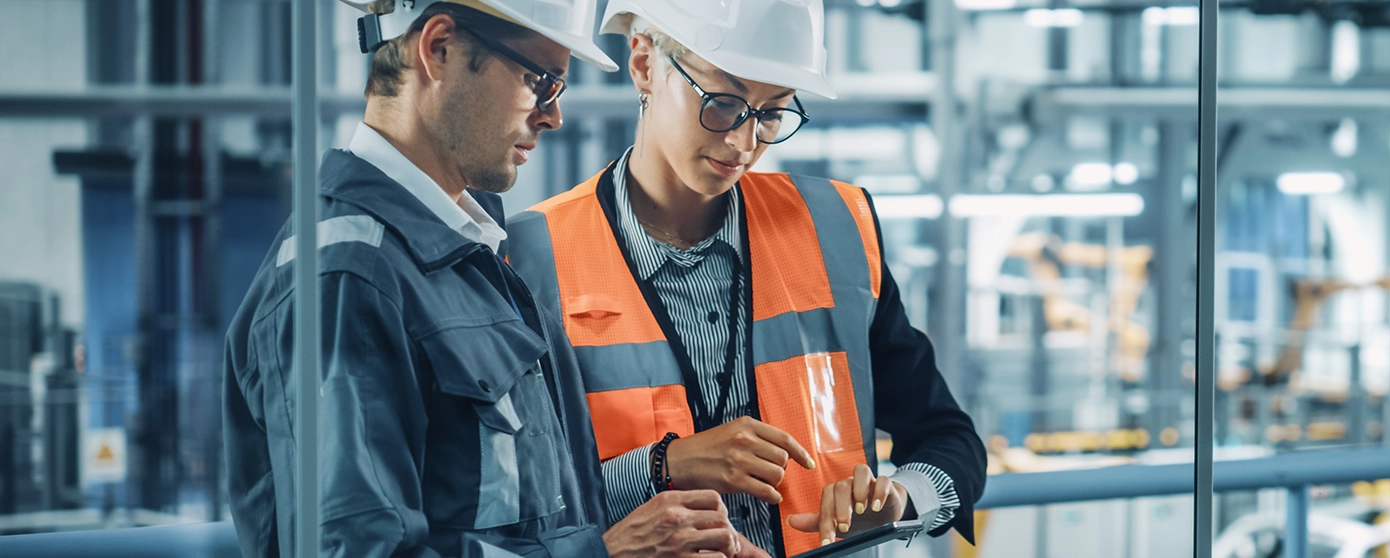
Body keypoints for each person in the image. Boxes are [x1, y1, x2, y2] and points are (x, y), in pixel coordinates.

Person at [222, 1, 762, 556]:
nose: (552, 116)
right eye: (542, 81)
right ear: (440, 49)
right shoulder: (349, 278)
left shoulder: (466, 262)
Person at [503, 1, 986, 556]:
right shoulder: (528, 260)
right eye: (722, 103)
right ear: (643, 64)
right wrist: (663, 467)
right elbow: (515, 504)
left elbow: (950, 440)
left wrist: (901, 501)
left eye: (773, 112)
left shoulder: (835, 231)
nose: (744, 142)